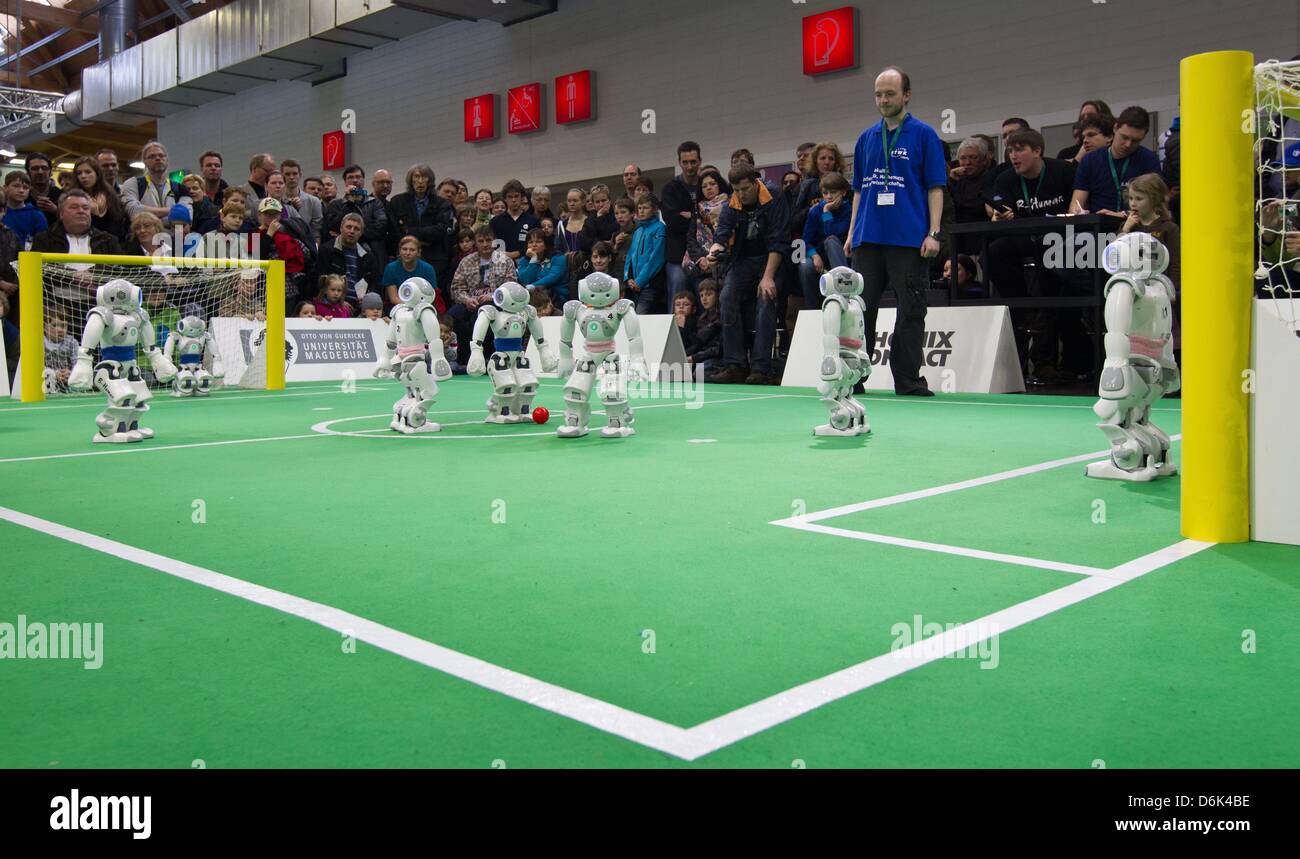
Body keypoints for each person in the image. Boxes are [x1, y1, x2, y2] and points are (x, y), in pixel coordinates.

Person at [844, 66, 947, 396]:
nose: (883, 99)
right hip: (868, 238)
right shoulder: (865, 139)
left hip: (909, 239)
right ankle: (854, 377)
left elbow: (935, 187)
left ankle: (907, 379)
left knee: (912, 309)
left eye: (890, 93)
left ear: (906, 95)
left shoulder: (924, 134)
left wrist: (934, 232)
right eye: (878, 94)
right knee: (860, 313)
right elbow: (859, 190)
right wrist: (851, 232)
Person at [705, 164, 790, 385]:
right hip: (743, 260)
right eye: (737, 190)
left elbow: (779, 240)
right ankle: (735, 365)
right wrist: (715, 249)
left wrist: (768, 277)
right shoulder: (734, 201)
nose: (741, 195)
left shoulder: (773, 196)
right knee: (726, 298)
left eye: (745, 189)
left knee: (765, 298)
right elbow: (722, 232)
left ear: (756, 182)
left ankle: (762, 368)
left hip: (771, 259)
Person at [1069, 106, 1161, 217]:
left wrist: (1122, 215)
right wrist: (1077, 212)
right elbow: (1076, 204)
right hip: (1098, 227)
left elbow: (1155, 206)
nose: (1128, 144)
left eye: (1136, 141)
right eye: (1124, 137)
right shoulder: (1090, 161)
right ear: (1115, 128)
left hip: (1136, 227)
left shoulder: (1149, 160)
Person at [448, 223, 517, 362]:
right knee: (453, 315)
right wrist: (467, 299)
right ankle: (463, 358)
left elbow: (511, 286)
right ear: (475, 243)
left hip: (496, 302)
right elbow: (456, 288)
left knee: (481, 315)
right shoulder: (466, 261)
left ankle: (486, 356)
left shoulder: (505, 260)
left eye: (488, 240)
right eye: (481, 241)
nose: (485, 244)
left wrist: (492, 295)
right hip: (470, 301)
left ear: (494, 241)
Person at [388, 164, 455, 284]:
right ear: (411, 180)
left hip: (435, 259)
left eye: (424, 177)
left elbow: (441, 230)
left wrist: (410, 232)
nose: (420, 181)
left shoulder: (442, 203)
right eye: (417, 177)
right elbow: (395, 231)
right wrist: (423, 236)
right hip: (405, 259)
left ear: (429, 180)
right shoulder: (397, 201)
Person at [798, 171, 853, 309]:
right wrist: (814, 255)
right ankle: (813, 309)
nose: (828, 197)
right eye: (825, 193)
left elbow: (833, 233)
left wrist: (827, 211)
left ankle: (844, 293)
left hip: (842, 254)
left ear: (843, 192)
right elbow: (805, 240)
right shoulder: (815, 211)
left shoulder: (849, 210)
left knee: (830, 240)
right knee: (805, 266)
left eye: (833, 192)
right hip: (820, 255)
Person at [662, 141, 704, 305]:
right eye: (685, 162)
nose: (689, 166)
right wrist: (699, 219)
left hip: (703, 256)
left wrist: (689, 216)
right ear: (679, 162)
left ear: (700, 161)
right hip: (677, 257)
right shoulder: (670, 189)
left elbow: (715, 217)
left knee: (705, 304)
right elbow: (672, 222)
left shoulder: (706, 185)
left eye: (693, 161)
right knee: (677, 303)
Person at [316, 212, 382, 307]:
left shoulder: (368, 256)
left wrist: (367, 298)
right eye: (348, 227)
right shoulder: (326, 250)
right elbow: (320, 280)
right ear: (341, 228)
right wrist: (340, 301)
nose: (352, 231)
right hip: (332, 306)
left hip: (360, 306)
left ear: (361, 233)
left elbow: (375, 283)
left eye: (356, 229)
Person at [120, 141, 192, 225]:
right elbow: (134, 212)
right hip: (143, 235)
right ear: (145, 162)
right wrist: (174, 210)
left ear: (167, 160)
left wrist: (147, 215)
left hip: (174, 237)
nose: (157, 158)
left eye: (161, 155)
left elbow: (186, 217)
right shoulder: (133, 184)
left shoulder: (181, 188)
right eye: (151, 156)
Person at [383, 235, 445, 313]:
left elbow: (431, 296)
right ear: (399, 251)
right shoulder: (390, 268)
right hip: (398, 306)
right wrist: (411, 307)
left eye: (412, 250)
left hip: (423, 306)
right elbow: (393, 298)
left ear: (418, 252)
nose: (407, 253)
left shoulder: (428, 269)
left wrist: (418, 308)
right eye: (404, 249)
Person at [490, 179, 540, 260]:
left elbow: (537, 245)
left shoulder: (533, 221)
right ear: (505, 199)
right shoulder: (495, 222)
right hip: (501, 265)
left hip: (527, 264)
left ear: (522, 198)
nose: (513, 200)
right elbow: (490, 245)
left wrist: (516, 254)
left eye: (516, 196)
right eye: (510, 197)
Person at [518, 228, 569, 303]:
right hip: (531, 298)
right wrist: (533, 260)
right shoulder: (523, 261)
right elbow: (525, 280)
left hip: (556, 298)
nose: (534, 245)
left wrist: (532, 286)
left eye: (538, 242)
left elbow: (553, 277)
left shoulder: (558, 258)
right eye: (530, 242)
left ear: (545, 245)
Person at [281, 159, 323, 243]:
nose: (291, 177)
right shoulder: (273, 201)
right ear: (282, 176)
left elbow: (316, 232)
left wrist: (315, 253)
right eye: (287, 174)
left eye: (295, 174)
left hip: (305, 247)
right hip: (281, 247)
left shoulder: (313, 201)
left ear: (300, 175)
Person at [2, 171, 47, 247]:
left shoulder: (36, 215)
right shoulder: (1, 213)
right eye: (16, 186)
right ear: (5, 188)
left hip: (26, 257)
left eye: (25, 188)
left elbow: (44, 243)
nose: (21, 190)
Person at [687, 279, 722, 372]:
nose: (704, 298)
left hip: (719, 357)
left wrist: (695, 358)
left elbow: (718, 349)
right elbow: (698, 344)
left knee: (699, 372)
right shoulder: (702, 318)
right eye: (701, 295)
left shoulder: (722, 317)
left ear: (718, 295)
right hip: (704, 356)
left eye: (709, 294)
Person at [24, 153, 60, 220]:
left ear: (50, 172)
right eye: (35, 168)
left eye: (44, 168)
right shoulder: (22, 196)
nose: (40, 172)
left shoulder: (61, 195)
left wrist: (56, 210)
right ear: (27, 172)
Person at [555, 187, 589, 254]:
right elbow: (557, 247)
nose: (572, 204)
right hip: (567, 262)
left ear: (583, 202)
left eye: (575, 200)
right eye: (569, 201)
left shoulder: (590, 221)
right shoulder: (561, 225)